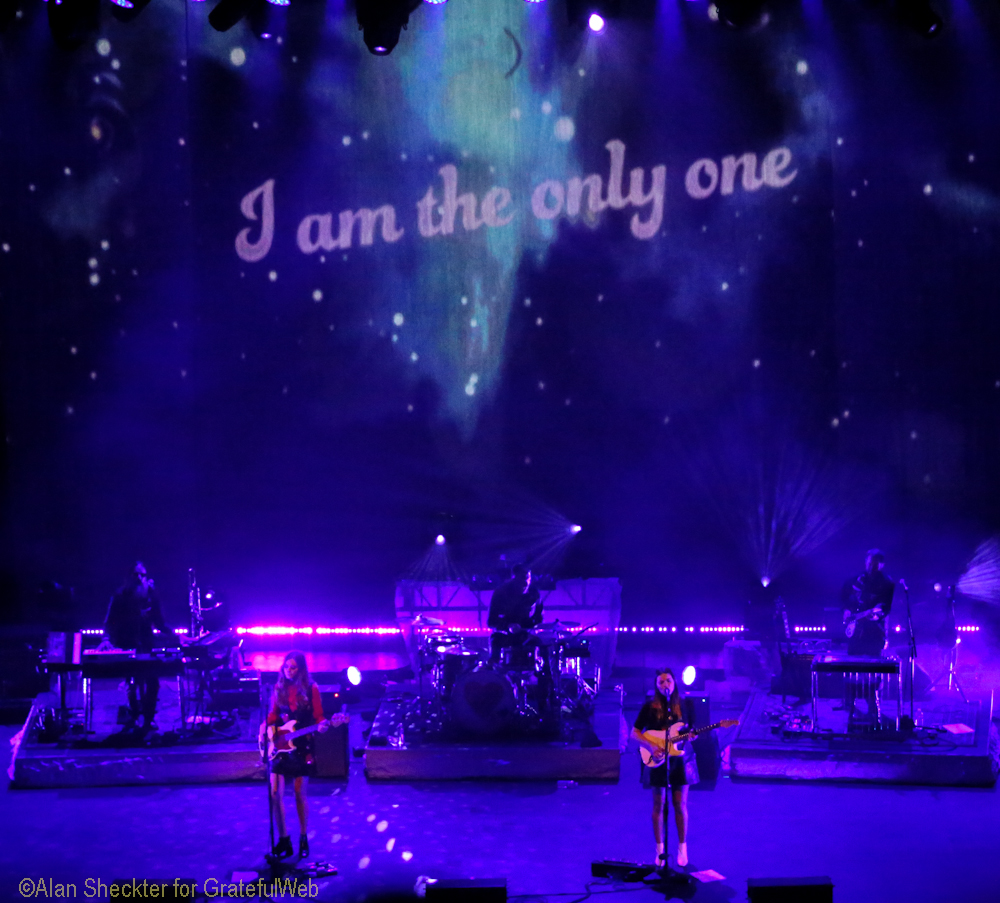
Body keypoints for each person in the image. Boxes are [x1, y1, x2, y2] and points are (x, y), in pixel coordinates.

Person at [631, 668, 699, 870]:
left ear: (675, 682)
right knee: (658, 804)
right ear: (656, 686)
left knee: (680, 804)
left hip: (681, 760)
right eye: (661, 682)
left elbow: (691, 730)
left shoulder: (686, 705)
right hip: (658, 759)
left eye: (668, 681)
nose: (665, 685)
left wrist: (692, 736)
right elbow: (634, 733)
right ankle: (660, 851)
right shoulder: (649, 707)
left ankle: (682, 848)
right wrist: (651, 746)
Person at [263, 651, 328, 860]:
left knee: (299, 793)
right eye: (286, 667)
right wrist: (264, 730)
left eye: (293, 667)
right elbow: (272, 716)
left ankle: (303, 837)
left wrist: (324, 725)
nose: (288, 671)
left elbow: (319, 717)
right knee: (274, 794)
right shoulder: (278, 688)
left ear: (300, 669)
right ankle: (284, 840)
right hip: (281, 745)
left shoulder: (311, 688)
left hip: (302, 745)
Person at [100, 561, 176, 730]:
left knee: (153, 682)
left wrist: (178, 636)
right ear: (129, 577)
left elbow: (160, 623)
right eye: (136, 574)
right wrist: (106, 639)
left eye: (142, 575)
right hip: (127, 644)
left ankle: (148, 719)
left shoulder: (151, 597)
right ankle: (135, 715)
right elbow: (110, 621)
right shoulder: (119, 597)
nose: (140, 578)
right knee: (131, 682)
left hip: (147, 645)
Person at [841, 549, 897, 730]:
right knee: (852, 667)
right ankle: (850, 704)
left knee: (873, 669)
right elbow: (846, 599)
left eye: (874, 563)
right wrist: (848, 611)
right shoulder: (856, 580)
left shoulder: (887, 584)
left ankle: (873, 706)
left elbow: (884, 609)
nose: (870, 566)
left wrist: (874, 615)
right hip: (856, 632)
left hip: (874, 633)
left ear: (881, 564)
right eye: (868, 562)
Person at [487, 565, 543, 665]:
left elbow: (539, 617)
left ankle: (546, 675)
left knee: (543, 645)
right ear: (513, 578)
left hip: (526, 635)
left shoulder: (534, 593)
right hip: (505, 635)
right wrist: (508, 626)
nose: (525, 583)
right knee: (495, 641)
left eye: (527, 578)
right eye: (521, 579)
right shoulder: (501, 593)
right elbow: (491, 621)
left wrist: (535, 626)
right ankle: (495, 671)